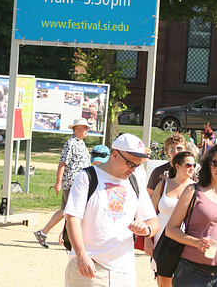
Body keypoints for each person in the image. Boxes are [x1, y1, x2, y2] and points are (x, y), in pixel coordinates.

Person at [64, 133, 159, 287]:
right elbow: (72, 218)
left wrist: (146, 230)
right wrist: (81, 256)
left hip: (124, 272)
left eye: (138, 165)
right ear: (115, 155)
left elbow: (153, 221)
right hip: (89, 268)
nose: (133, 170)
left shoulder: (134, 182)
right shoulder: (87, 177)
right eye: (131, 164)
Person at [165, 143, 217, 287]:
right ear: (208, 165)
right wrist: (195, 242)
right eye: (215, 163)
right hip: (193, 272)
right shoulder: (193, 191)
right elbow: (170, 229)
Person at [34, 117, 90, 248]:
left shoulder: (81, 143)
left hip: (80, 183)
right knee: (70, 211)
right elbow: (62, 164)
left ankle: (43, 233)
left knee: (66, 210)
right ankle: (66, 237)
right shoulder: (71, 143)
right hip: (72, 183)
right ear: (77, 128)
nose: (87, 129)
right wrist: (58, 183)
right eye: (85, 127)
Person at [146, 151, 196, 287]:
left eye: (194, 165)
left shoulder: (198, 188)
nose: (192, 168)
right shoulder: (163, 185)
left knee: (185, 278)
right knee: (163, 278)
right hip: (161, 238)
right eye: (188, 165)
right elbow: (150, 213)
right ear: (177, 166)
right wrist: (147, 240)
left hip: (186, 238)